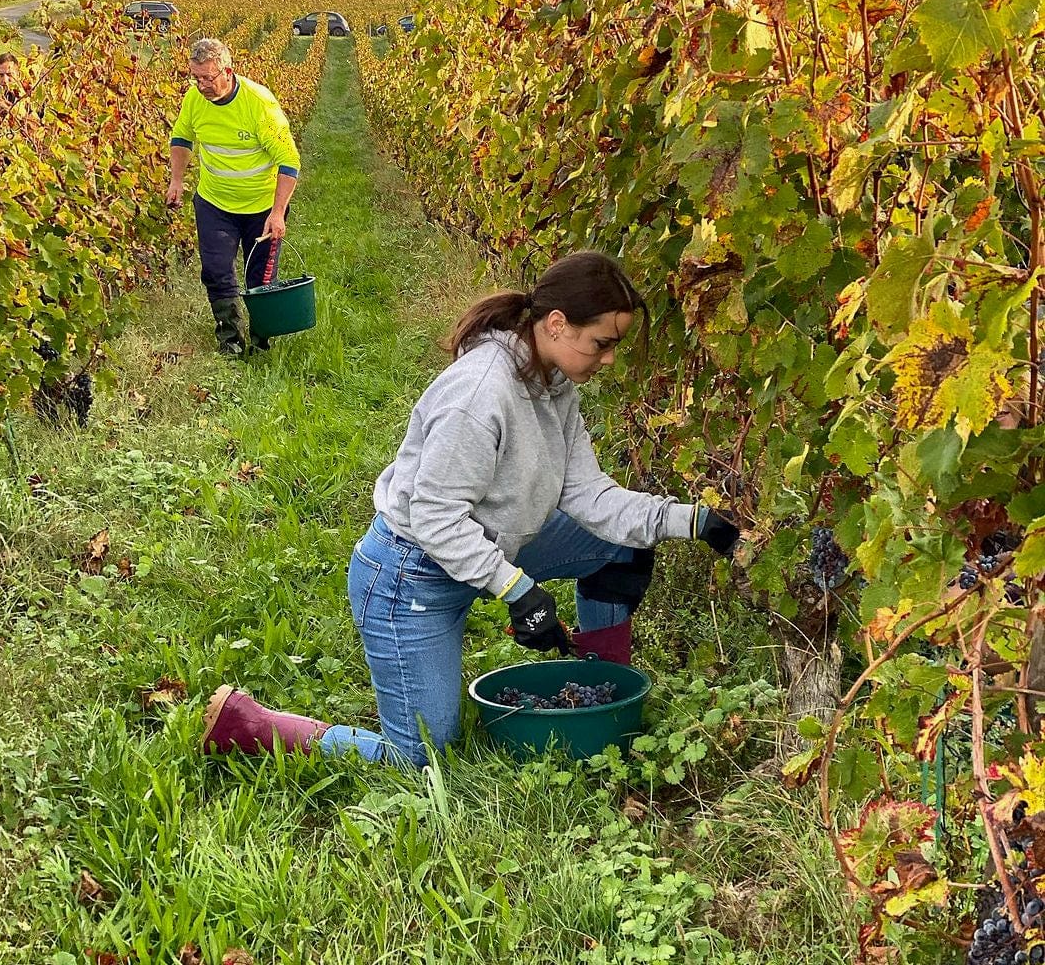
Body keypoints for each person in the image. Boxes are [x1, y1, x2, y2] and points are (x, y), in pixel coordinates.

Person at [202, 252, 739, 767]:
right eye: (602, 343)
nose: (609, 359)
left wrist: (690, 520)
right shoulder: (480, 394)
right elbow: (434, 518)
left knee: (620, 544)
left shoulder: (554, 383)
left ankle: (604, 696)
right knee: (420, 758)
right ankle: (252, 725)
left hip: (485, 547)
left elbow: (588, 495)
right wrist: (518, 591)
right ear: (557, 324)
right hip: (412, 577)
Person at [166, 38, 300, 356]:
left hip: (261, 208)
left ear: (227, 71)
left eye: (207, 78)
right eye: (195, 78)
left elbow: (289, 160)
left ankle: (261, 341)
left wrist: (277, 212)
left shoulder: (259, 104)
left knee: (260, 278)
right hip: (215, 203)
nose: (201, 85)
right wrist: (176, 180)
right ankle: (230, 339)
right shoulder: (194, 99)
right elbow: (182, 137)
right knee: (215, 271)